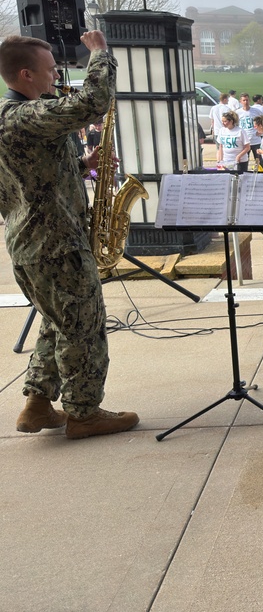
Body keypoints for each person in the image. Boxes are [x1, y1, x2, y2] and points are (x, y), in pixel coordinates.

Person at [0, 32, 139, 439]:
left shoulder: (12, 118)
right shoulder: (27, 115)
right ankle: (84, 412)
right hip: (56, 245)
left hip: (32, 244)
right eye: (51, 70)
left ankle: (38, 405)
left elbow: (28, 182)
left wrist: (82, 165)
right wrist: (99, 54)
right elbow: (92, 103)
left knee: (57, 324)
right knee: (85, 328)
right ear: (26, 75)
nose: (57, 76)